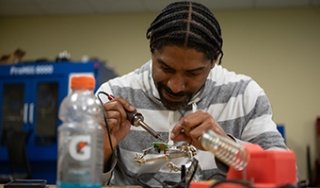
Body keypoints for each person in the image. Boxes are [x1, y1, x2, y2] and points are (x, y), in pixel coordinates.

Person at [96, 1, 287, 186]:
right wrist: (102, 150)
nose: (176, 86)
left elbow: (285, 177)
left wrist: (223, 145)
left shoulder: (244, 95)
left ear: (213, 62)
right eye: (166, 68)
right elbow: (77, 179)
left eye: (193, 73)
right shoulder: (112, 95)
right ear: (152, 51)